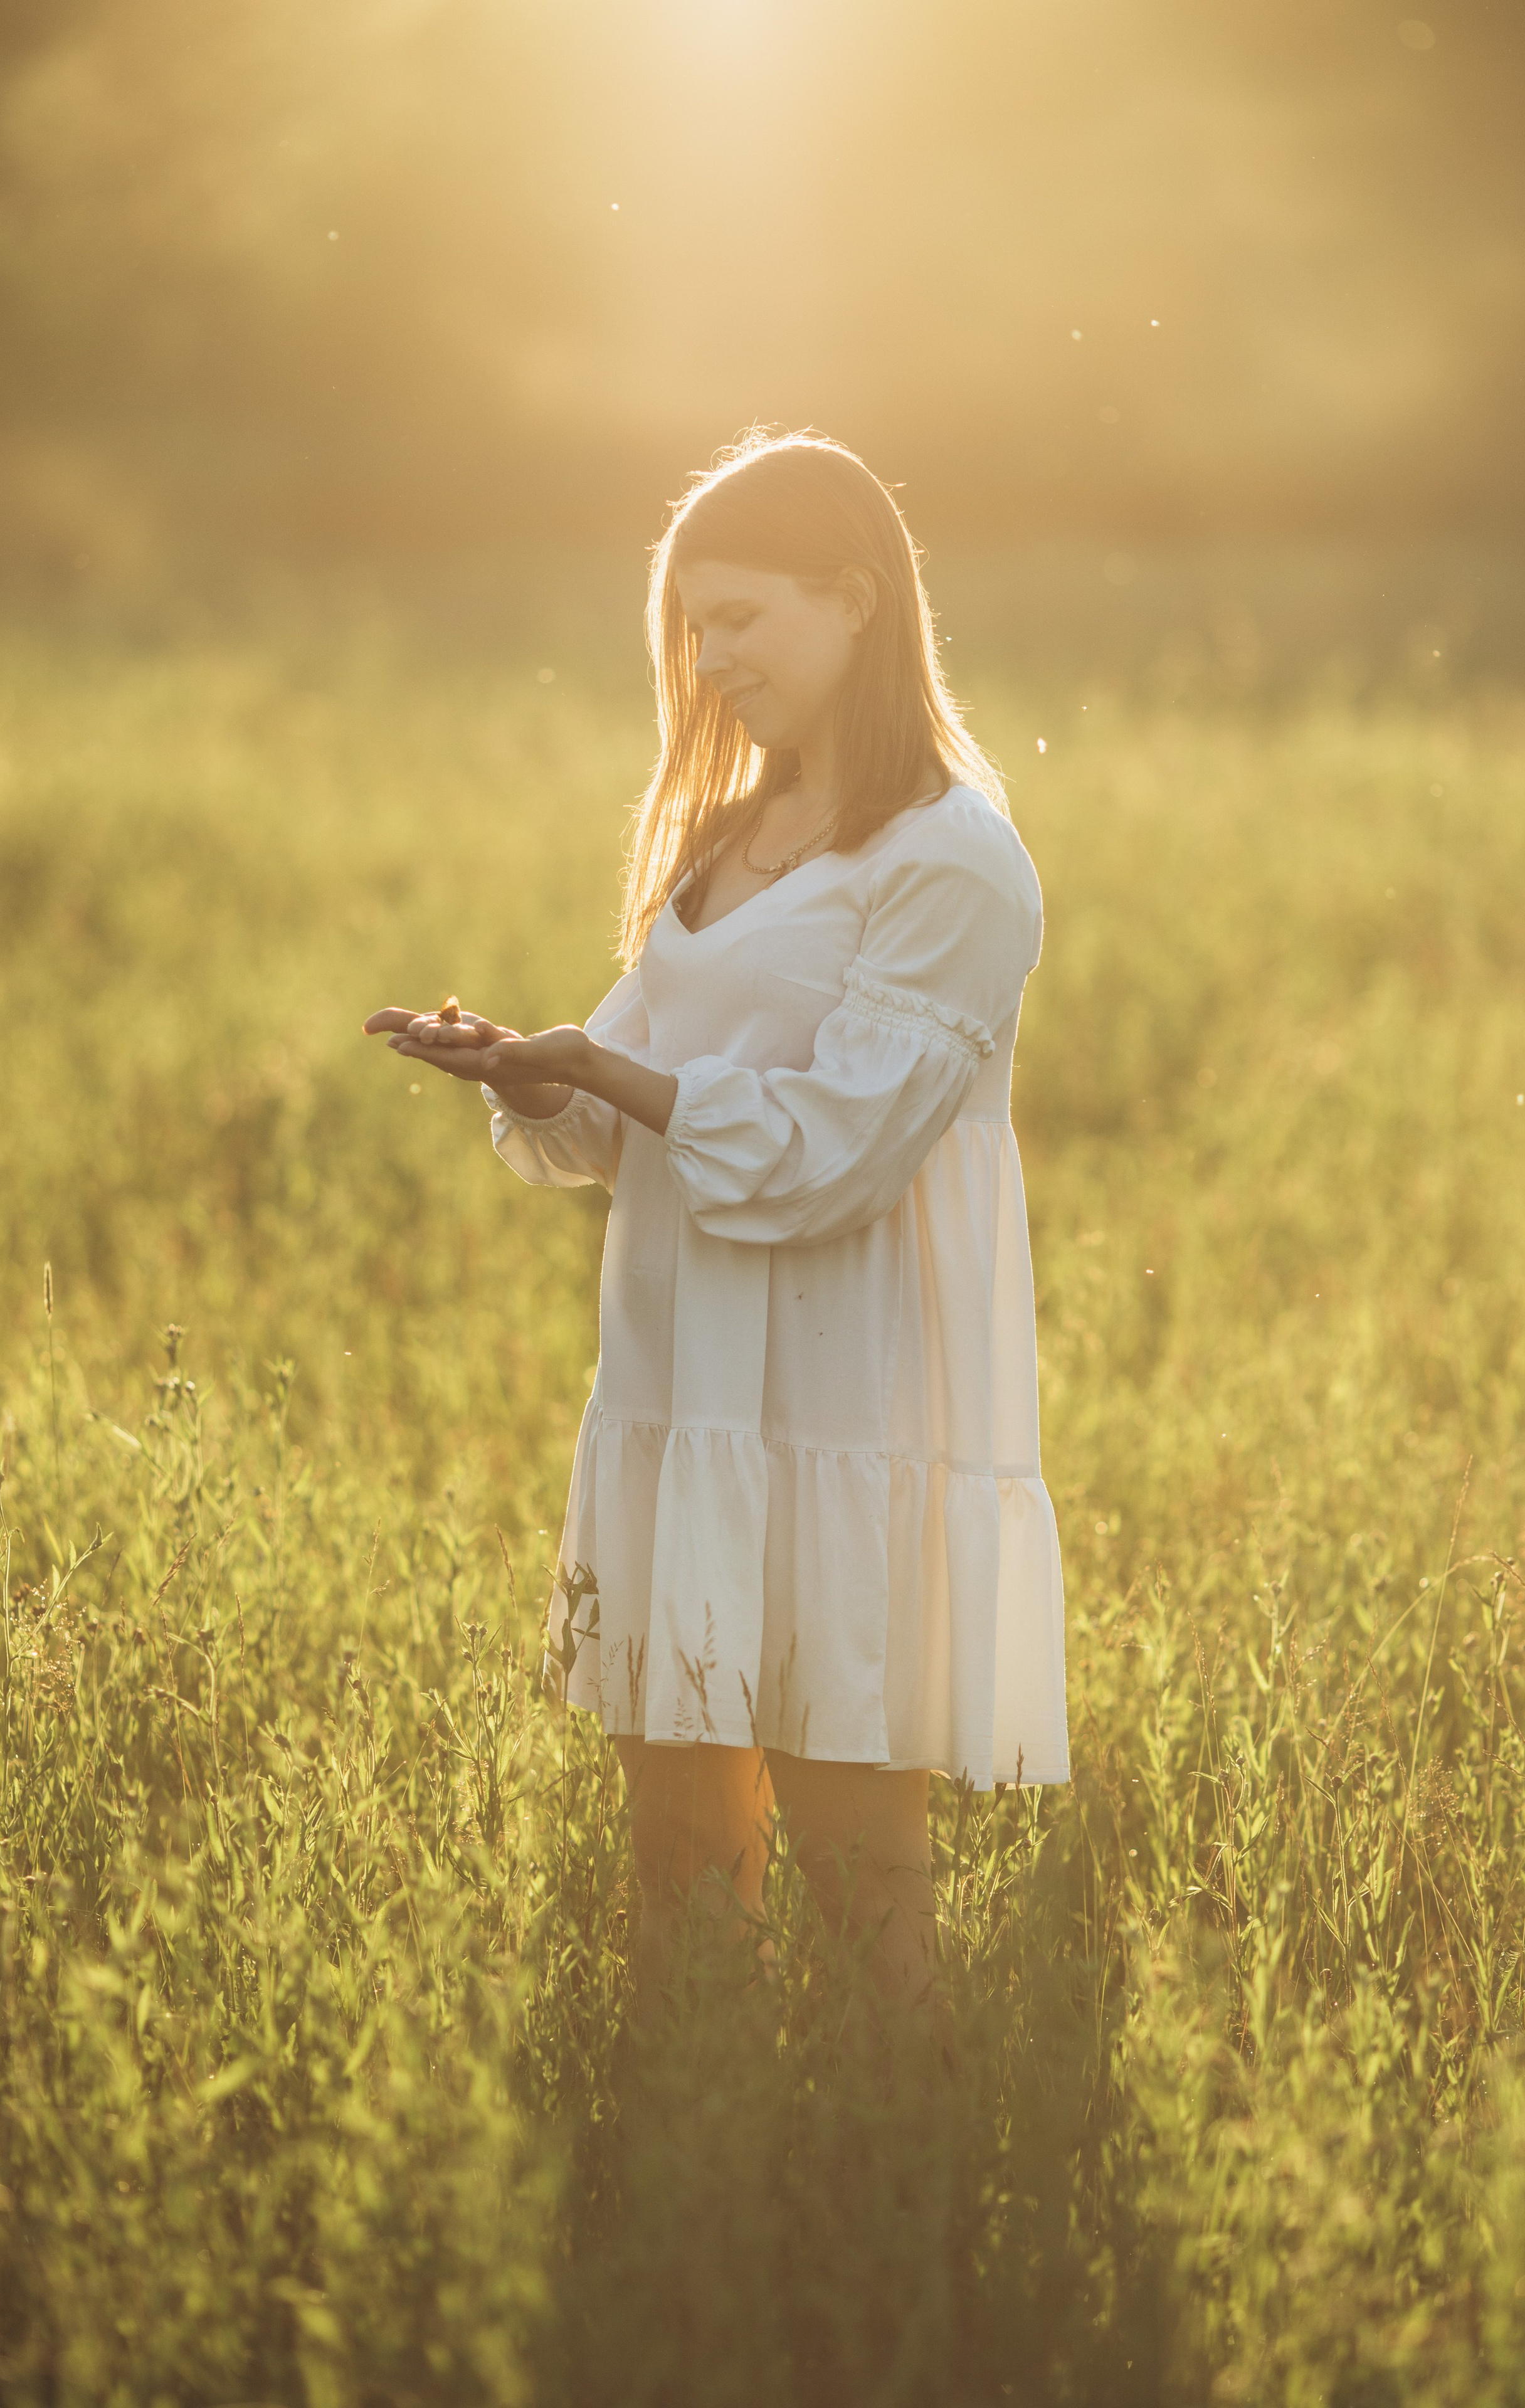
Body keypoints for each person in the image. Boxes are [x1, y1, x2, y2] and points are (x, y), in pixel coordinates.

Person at [366, 431, 1067, 2019]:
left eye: (744, 616)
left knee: (855, 1870)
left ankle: (907, 2184)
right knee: (677, 1850)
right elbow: (638, 1131)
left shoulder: (950, 858)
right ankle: (699, 2155)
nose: (711, 656)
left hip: (839, 1398)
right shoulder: (724, 833)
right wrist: (538, 1080)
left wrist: (609, 1065)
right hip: (686, 1388)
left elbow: (833, 1151)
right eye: (694, 622)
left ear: (856, 601)